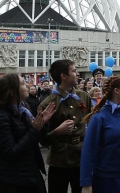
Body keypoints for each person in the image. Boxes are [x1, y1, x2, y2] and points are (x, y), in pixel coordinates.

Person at [0, 74, 56, 192]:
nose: (28, 85)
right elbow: (11, 152)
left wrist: (42, 123)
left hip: (28, 177)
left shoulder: (23, 111)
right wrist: (34, 130)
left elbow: (35, 140)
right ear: (12, 92)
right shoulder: (0, 118)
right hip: (11, 183)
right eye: (23, 83)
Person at [80, 76, 120, 193]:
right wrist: (86, 183)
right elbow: (88, 151)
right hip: (105, 179)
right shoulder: (99, 117)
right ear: (116, 90)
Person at [39, 60, 92, 193]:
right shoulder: (48, 103)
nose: (77, 73)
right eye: (73, 71)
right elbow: (42, 140)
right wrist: (57, 131)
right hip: (59, 160)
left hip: (81, 159)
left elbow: (90, 124)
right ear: (63, 76)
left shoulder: (83, 96)